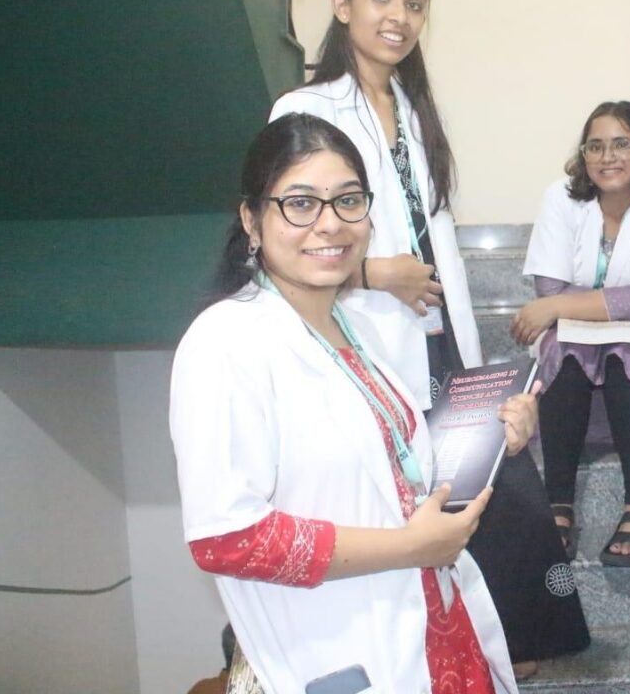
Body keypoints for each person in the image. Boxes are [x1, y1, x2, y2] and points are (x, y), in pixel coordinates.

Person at [266, 0, 587, 676]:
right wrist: (376, 274)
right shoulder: (305, 107)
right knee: (430, 500)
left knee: (504, 491)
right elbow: (288, 236)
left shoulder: (413, 108)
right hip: (372, 337)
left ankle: (523, 643)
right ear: (342, 6)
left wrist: (453, 332)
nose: (398, 16)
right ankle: (478, 647)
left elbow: (435, 238)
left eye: (414, 4)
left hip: (442, 340)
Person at [169, 113, 540, 693]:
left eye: (348, 200)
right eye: (300, 203)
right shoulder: (225, 341)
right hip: (336, 647)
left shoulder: (357, 327)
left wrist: (493, 433)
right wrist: (408, 548)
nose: (330, 224)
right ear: (252, 220)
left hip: (431, 628)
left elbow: (391, 472)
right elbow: (227, 537)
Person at [514, 101, 630, 568]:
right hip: (573, 334)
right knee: (566, 354)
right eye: (596, 145)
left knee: (626, 355)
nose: (607, 156)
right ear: (584, 155)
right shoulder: (561, 198)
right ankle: (558, 503)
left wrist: (555, 306)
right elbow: (552, 286)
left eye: (622, 143)